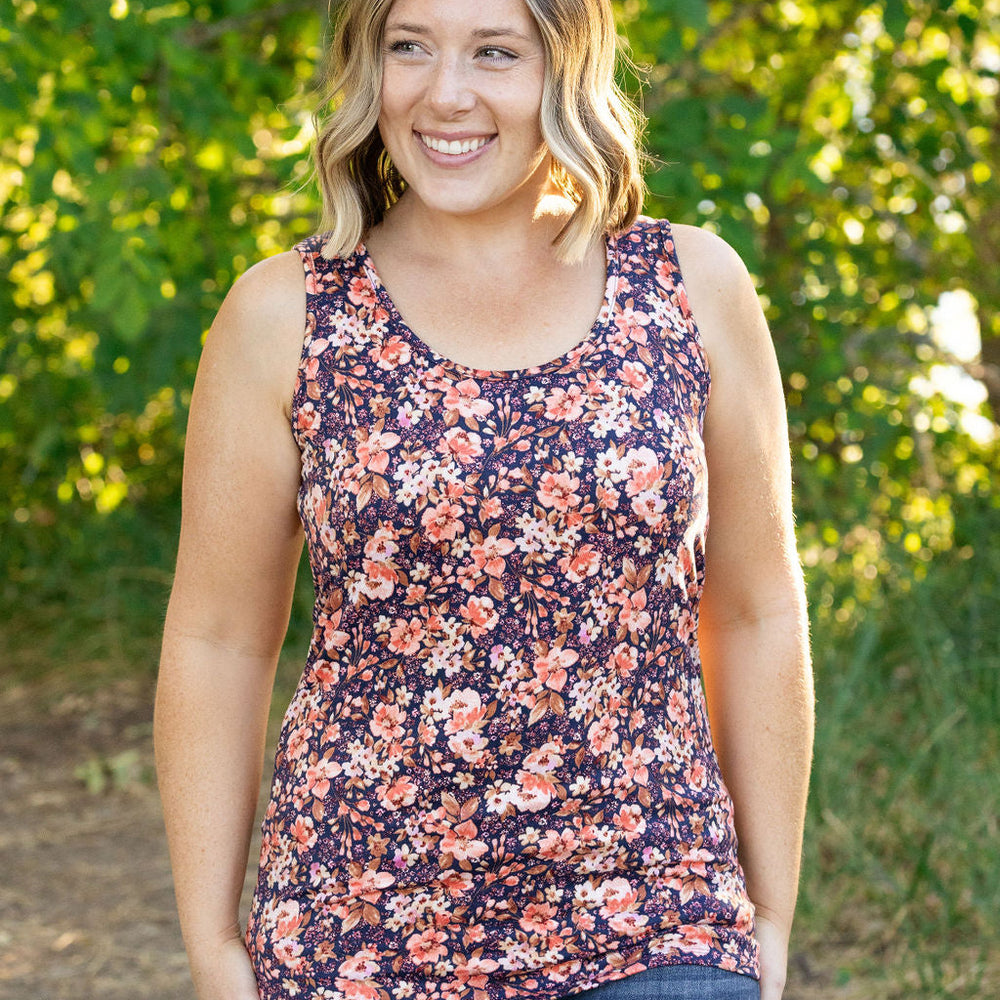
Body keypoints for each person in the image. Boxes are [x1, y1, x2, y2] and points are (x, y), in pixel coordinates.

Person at [153, 0, 814, 998]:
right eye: (408, 46)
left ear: (565, 68)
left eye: (493, 53)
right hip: (354, 930)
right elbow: (218, 639)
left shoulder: (688, 286)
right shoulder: (286, 314)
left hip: (652, 916)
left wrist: (766, 921)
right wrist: (212, 951)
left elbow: (759, 610)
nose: (444, 92)